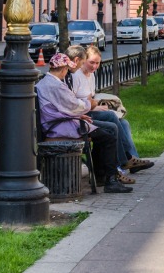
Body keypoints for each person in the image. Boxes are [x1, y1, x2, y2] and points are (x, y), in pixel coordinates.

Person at [35, 53, 131, 194]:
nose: (67, 72)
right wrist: (89, 104)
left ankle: (101, 175)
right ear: (63, 69)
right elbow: (74, 105)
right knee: (108, 137)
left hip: (59, 122)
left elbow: (63, 106)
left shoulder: (45, 82)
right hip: (61, 127)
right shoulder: (56, 85)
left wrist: (79, 114)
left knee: (105, 134)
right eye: (67, 69)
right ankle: (110, 180)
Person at [70, 46, 153, 179]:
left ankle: (133, 160)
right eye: (92, 62)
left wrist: (96, 105)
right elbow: (76, 103)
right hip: (82, 114)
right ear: (84, 60)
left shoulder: (91, 75)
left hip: (89, 109)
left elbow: (91, 98)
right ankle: (125, 160)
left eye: (97, 63)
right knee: (111, 116)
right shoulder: (76, 76)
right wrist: (94, 107)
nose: (95, 66)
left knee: (124, 123)